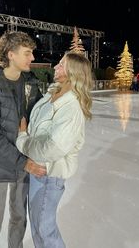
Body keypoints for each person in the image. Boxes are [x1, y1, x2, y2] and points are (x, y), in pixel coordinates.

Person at [0, 31, 46, 248]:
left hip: (23, 167)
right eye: (27, 53)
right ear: (11, 54)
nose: (32, 58)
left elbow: (41, 118)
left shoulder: (31, 85)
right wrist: (23, 161)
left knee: (19, 218)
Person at [17, 51, 93, 248]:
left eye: (61, 65)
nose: (55, 67)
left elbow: (53, 148)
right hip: (38, 170)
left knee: (44, 228)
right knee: (37, 225)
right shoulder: (52, 93)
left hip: (49, 175)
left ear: (73, 73)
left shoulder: (72, 107)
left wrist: (22, 139)